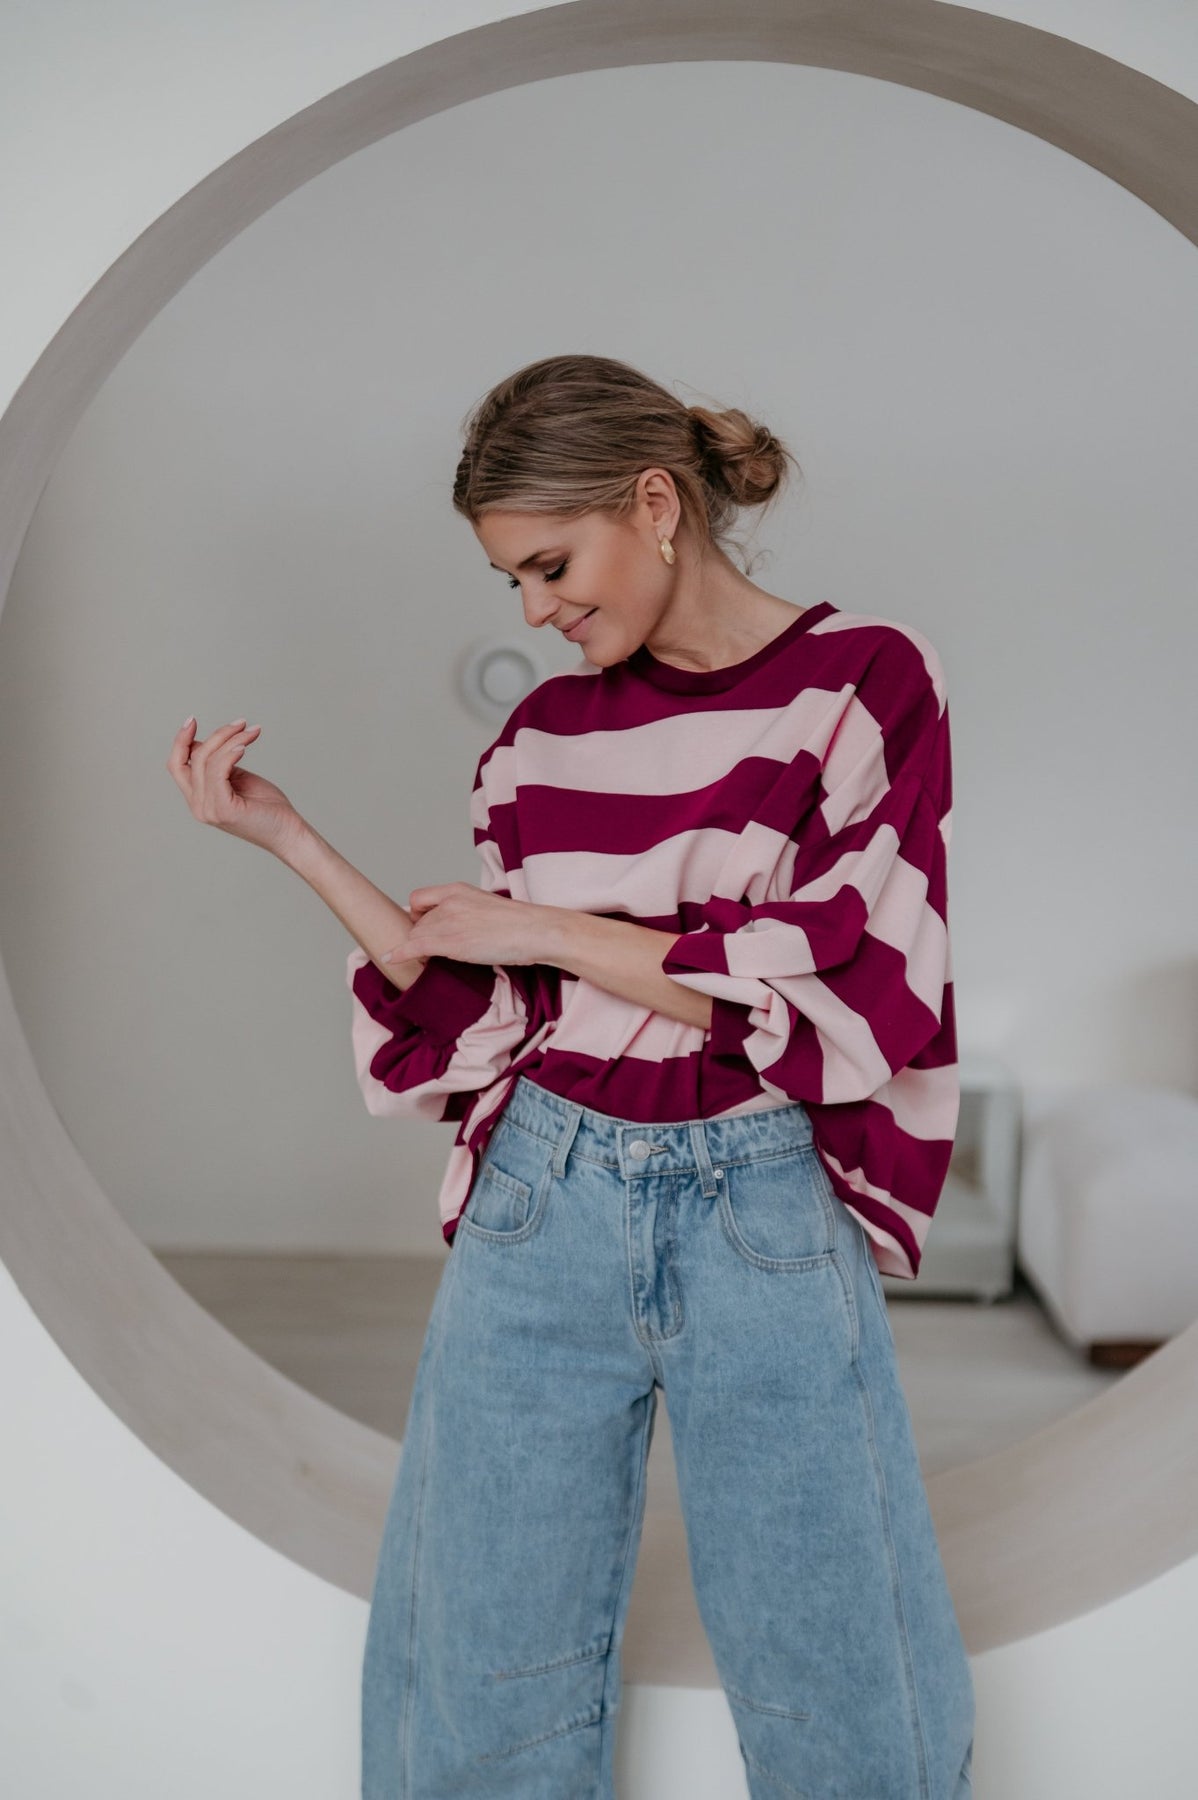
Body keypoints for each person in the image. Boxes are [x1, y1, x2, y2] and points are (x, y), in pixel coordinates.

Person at [166, 352, 975, 1799]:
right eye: (513, 583)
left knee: (840, 1661)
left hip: (764, 1200)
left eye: (550, 565)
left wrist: (555, 929)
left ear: (655, 504)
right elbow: (486, 1009)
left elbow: (858, 987)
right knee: (481, 1664)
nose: (536, 611)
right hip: (541, 1194)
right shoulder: (535, 742)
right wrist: (290, 839)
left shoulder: (862, 684)